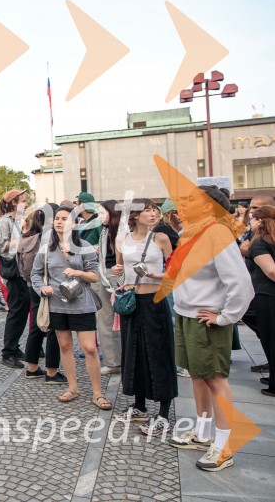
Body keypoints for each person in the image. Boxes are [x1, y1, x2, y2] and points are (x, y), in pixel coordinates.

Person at [167, 186, 254, 473]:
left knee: (216, 380)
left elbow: (242, 284)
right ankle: (203, 435)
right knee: (198, 376)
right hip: (186, 314)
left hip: (206, 319)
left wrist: (225, 317)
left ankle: (224, 445)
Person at [31, 207, 109, 409]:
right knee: (64, 346)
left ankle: (97, 393)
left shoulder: (83, 246)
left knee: (89, 348)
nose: (59, 222)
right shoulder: (46, 248)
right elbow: (35, 274)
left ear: (73, 223)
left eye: (64, 219)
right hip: (57, 303)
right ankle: (73, 387)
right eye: (57, 218)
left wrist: (77, 272)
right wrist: (42, 288)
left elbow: (94, 276)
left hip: (82, 303)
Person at [111, 198, 177, 436]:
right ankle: (139, 406)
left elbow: (173, 273)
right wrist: (117, 271)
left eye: (154, 210)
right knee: (134, 352)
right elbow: (120, 269)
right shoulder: (123, 239)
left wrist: (154, 274)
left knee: (159, 353)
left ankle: (163, 415)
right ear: (135, 215)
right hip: (131, 301)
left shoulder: (161, 238)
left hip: (154, 301)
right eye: (147, 210)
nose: (152, 213)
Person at [17, 206, 65, 384]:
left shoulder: (29, 235)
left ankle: (32, 368)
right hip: (48, 286)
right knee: (53, 326)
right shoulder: (50, 236)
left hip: (32, 284)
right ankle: (52, 372)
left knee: (37, 324)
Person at [0, 189, 29, 366]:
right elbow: (0, 247)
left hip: (22, 270)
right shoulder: (4, 223)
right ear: (14, 203)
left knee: (22, 311)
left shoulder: (17, 221)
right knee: (16, 312)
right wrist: (23, 238)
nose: (26, 203)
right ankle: (7, 353)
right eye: (23, 200)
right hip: (13, 271)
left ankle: (14, 348)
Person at [93, 200, 123, 375]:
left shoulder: (122, 231)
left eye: (103, 212)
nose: (99, 215)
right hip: (105, 276)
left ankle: (120, 360)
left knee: (117, 321)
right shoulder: (104, 231)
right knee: (106, 321)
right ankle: (113, 361)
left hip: (117, 278)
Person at [248, 205, 275, 396]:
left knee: (270, 339)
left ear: (260, 221)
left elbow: (271, 270)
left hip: (267, 297)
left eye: (253, 218)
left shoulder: (259, 243)